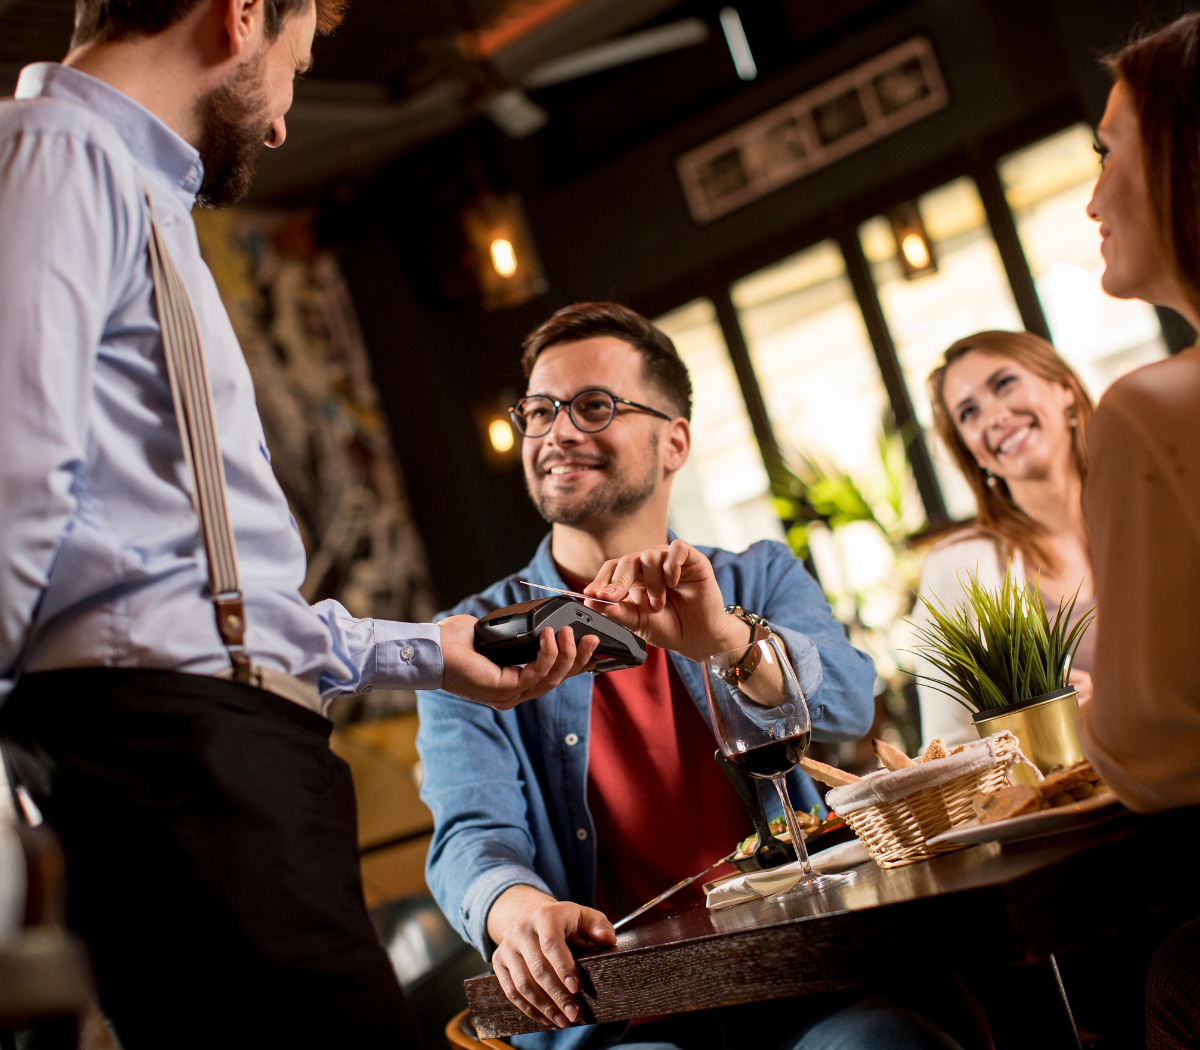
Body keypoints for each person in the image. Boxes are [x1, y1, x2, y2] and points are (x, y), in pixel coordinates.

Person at [0, 3, 596, 1047]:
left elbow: (203, 599)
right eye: (295, 64)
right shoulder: (56, 153)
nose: (282, 120)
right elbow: (10, 494)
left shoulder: (125, 185)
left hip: (215, 754)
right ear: (238, 17)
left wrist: (429, 654)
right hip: (174, 762)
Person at [416, 302, 964, 1050]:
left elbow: (848, 702)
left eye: (593, 406)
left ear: (674, 441)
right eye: (539, 411)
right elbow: (470, 836)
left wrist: (726, 640)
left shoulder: (757, 577)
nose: (557, 432)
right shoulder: (474, 638)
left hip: (806, 983)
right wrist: (515, 911)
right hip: (619, 1020)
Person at [1079, 14, 1200, 1049]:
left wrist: (1094, 700)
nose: (1091, 198)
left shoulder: (1152, 411)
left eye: (1107, 150)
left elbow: (1149, 756)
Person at [915, 330, 1096, 746]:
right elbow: (946, 749)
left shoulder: (1151, 506)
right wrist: (1031, 732)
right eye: (969, 413)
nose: (994, 417)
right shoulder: (958, 568)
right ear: (974, 454)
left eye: (1004, 384)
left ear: (1064, 387)